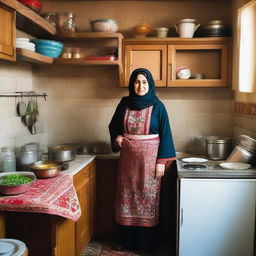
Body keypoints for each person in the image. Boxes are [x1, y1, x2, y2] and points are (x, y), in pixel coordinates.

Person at [108, 68, 176, 252]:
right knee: (128, 199)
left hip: (150, 164)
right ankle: (126, 241)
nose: (140, 86)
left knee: (147, 199)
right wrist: (117, 138)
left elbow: (166, 134)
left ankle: (146, 244)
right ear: (132, 84)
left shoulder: (158, 106)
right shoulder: (124, 103)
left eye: (144, 82)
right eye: (137, 82)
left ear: (150, 84)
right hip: (128, 164)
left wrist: (161, 161)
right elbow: (114, 127)